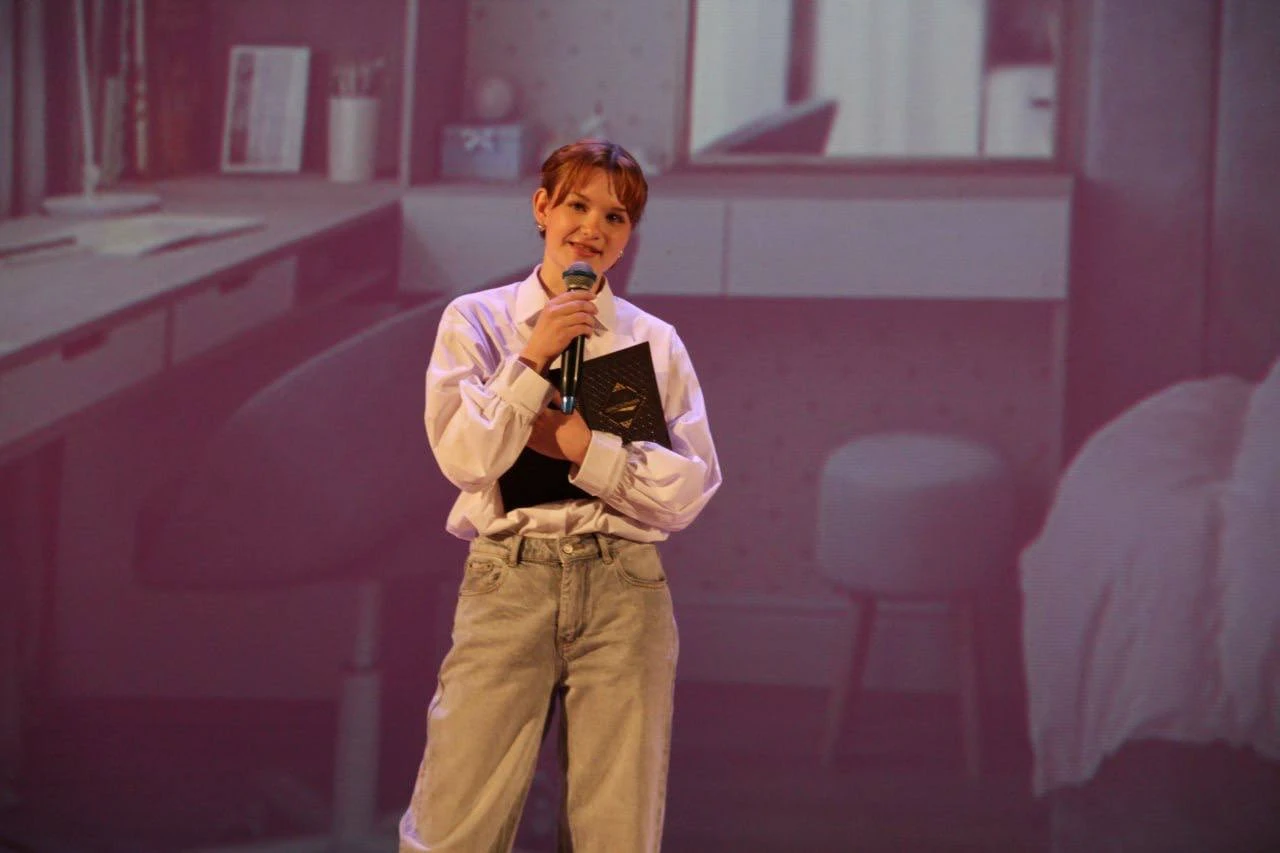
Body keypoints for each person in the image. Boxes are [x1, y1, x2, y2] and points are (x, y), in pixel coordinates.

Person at [399, 138, 722, 852]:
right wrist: (531, 357)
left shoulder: (648, 339)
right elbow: (466, 458)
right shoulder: (477, 321)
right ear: (543, 207)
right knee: (454, 822)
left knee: (616, 830)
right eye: (578, 205)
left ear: (628, 235)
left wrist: (584, 448)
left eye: (615, 216)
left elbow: (687, 488)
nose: (593, 228)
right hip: (511, 578)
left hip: (622, 586)